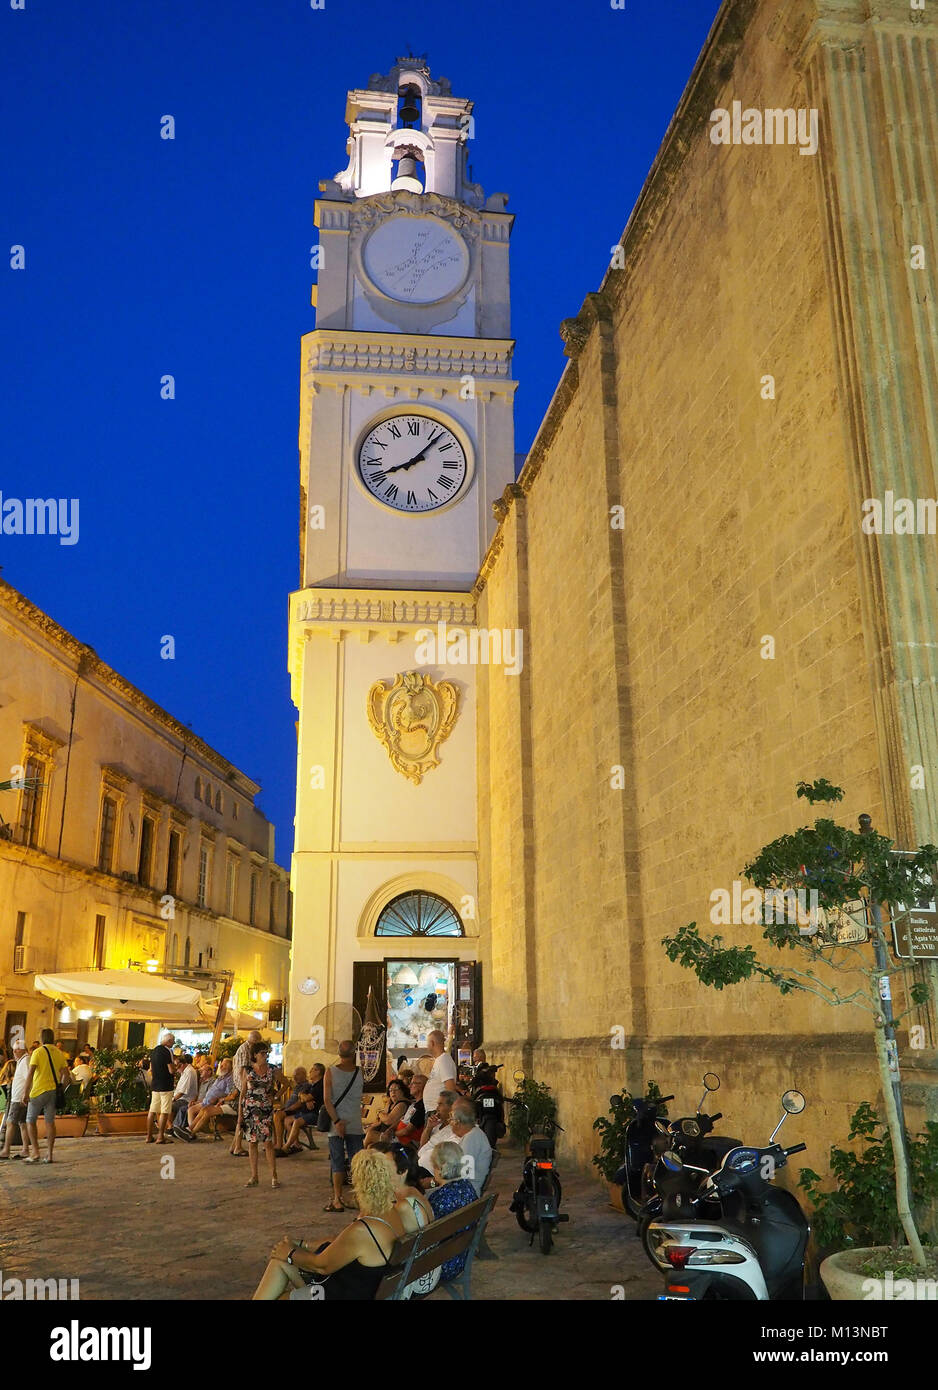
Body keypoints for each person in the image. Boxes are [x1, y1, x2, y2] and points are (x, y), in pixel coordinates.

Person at [252, 1148, 400, 1300]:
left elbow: (321, 1265)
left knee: (281, 1285)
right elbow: (337, 1244)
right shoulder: (392, 1213)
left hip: (339, 1294)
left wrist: (289, 1253)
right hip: (361, 1289)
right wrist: (299, 1247)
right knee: (279, 1263)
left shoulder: (362, 1230)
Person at [426, 1141, 478, 1283]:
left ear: (440, 1167)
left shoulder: (439, 1198)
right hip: (461, 1258)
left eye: (434, 1165)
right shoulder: (467, 1187)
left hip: (441, 1266)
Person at [322, 1040, 363, 1212]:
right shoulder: (361, 1072)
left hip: (335, 1123)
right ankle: (357, 1197)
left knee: (337, 1162)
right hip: (354, 1122)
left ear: (338, 1053)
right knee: (357, 1162)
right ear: (354, 1053)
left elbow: (327, 1100)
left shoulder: (330, 1072)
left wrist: (337, 1121)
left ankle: (337, 1198)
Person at [23, 1028, 73, 1164]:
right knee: (50, 1122)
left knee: (30, 1120)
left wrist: (25, 1092)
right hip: (52, 1092)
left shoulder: (37, 1052)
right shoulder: (59, 1053)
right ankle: (49, 1154)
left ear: (41, 1038)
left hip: (38, 1091)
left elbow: (30, 1074)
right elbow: (66, 1076)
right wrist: (60, 1087)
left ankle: (35, 1152)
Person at [241, 1041, 279, 1189]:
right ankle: (254, 1175)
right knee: (252, 1143)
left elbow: (286, 1084)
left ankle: (274, 1175)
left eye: (266, 1053)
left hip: (265, 1109)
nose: (265, 1056)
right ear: (255, 1055)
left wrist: (275, 1097)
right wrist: (240, 1114)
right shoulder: (248, 1070)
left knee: (268, 1142)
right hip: (250, 1109)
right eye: (262, 1053)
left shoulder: (272, 1070)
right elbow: (243, 1092)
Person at [449, 1097, 492, 1196]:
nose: (450, 1122)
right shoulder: (472, 1135)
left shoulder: (472, 1139)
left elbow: (464, 1174)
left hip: (465, 1194)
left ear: (457, 1121)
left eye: (451, 1118)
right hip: (462, 1190)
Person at [230, 1030, 261, 1156]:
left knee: (243, 1116)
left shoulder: (246, 1049)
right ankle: (237, 1146)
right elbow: (243, 1071)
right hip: (244, 1086)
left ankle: (234, 1145)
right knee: (243, 1117)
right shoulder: (244, 1050)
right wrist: (247, 1087)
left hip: (244, 1086)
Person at [189, 1058, 238, 1135]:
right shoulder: (221, 1077)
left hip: (231, 1104)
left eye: (224, 1065)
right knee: (203, 1109)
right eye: (221, 1064)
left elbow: (232, 1096)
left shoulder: (233, 1079)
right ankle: (189, 1129)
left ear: (231, 1067)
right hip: (218, 1102)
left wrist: (221, 1099)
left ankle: (192, 1133)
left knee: (207, 1111)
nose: (221, 1066)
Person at [0, 1040, 32, 1160]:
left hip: (18, 1098)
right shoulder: (22, 1060)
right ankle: (25, 1149)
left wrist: (25, 1093)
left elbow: (28, 1078)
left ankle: (6, 1150)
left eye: (17, 1049)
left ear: (24, 1049)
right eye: (13, 1049)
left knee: (10, 1122)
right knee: (22, 1123)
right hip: (20, 1097)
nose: (14, 1051)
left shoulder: (25, 1061)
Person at [281, 1063, 323, 1153]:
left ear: (318, 1072)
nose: (310, 1071)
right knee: (287, 1120)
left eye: (312, 1069)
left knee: (297, 1122)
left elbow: (306, 1097)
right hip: (306, 1112)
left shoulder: (320, 1085)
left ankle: (285, 1147)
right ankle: (296, 1144)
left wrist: (306, 1098)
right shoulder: (313, 1085)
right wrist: (304, 1097)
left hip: (315, 1114)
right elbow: (303, 1096)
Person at [416, 1088, 458, 1174]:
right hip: (419, 1163)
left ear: (452, 1107)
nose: (437, 1108)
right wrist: (428, 1128)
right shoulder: (437, 1124)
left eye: (440, 1104)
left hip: (431, 1172)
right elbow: (422, 1146)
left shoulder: (455, 1130)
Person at [145, 1031, 176, 1144]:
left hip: (155, 1085)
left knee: (152, 1111)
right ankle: (160, 1137)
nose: (173, 1043)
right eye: (173, 1041)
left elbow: (151, 1069)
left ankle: (148, 1136)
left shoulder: (153, 1051)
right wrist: (175, 1069)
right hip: (166, 1085)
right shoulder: (168, 1051)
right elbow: (171, 1070)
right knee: (164, 1111)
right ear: (168, 1041)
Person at [363, 1079, 409, 1147]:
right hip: (382, 1132)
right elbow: (382, 1119)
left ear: (402, 1090)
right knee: (369, 1142)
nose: (393, 1092)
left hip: (391, 1136)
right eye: (390, 1090)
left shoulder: (402, 1104)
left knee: (370, 1135)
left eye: (396, 1089)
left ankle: (360, 1154)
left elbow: (388, 1120)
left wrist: (379, 1113)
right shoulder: (392, 1103)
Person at [422, 1030, 457, 1116]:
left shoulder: (444, 1060)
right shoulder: (440, 1060)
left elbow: (450, 1086)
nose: (427, 1046)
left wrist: (444, 1110)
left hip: (437, 1111)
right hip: (433, 1110)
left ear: (432, 1043)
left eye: (427, 1043)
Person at [171, 1054, 199, 1136]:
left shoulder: (189, 1072)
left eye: (177, 1066)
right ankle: (170, 1127)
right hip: (182, 1098)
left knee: (168, 1107)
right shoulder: (184, 1072)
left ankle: (172, 1128)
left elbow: (182, 1092)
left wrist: (173, 1099)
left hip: (186, 1100)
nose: (176, 1069)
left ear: (182, 1064)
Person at [396, 1072, 426, 1145]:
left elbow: (407, 1131)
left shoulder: (422, 1106)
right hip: (400, 1138)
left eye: (413, 1083)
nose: (409, 1086)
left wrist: (393, 1134)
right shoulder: (414, 1104)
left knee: (371, 1136)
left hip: (408, 1142)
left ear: (421, 1086)